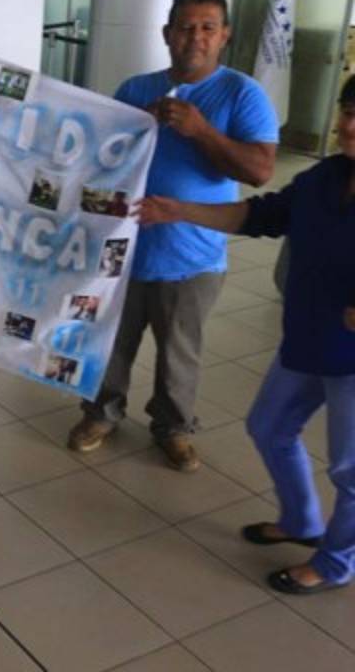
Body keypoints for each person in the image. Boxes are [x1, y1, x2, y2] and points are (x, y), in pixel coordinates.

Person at [134, 75, 355, 594]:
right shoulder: (325, 178)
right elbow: (258, 214)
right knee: (269, 426)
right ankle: (302, 522)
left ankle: (335, 563)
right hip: (308, 336)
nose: (348, 124)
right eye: (347, 109)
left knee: (349, 470)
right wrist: (179, 209)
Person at [67, 0, 278, 472]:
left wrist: (201, 130)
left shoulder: (242, 94)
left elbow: (260, 171)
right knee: (110, 343)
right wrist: (127, 132)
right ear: (167, 33)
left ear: (224, 35)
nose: (195, 38)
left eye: (207, 27)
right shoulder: (136, 88)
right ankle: (101, 412)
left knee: (179, 353)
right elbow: (97, 158)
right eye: (185, 27)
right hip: (122, 250)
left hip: (191, 254)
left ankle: (174, 427)